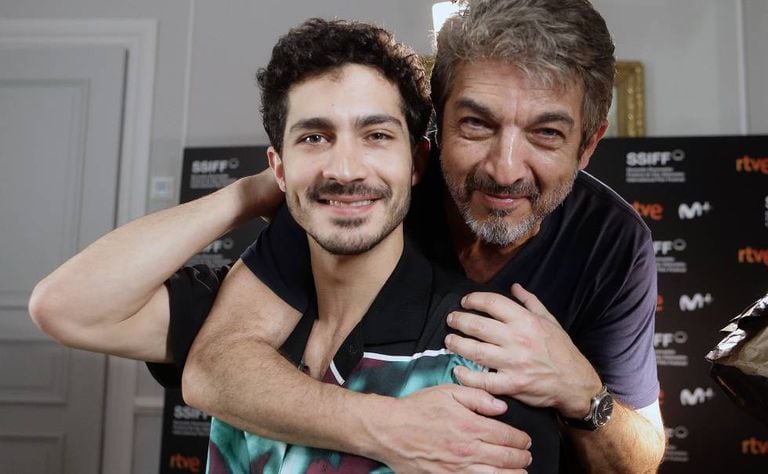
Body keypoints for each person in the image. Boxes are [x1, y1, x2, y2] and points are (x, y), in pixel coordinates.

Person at [30, 16, 558, 474]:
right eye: (314, 138)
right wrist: (247, 194)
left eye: (376, 136)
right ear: (278, 167)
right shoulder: (233, 322)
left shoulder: (484, 349)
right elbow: (66, 307)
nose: (345, 169)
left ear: (416, 163)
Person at [179, 0, 665, 472]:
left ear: (588, 145)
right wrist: (389, 427)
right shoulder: (369, 192)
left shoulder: (614, 243)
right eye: (476, 124)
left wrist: (583, 394)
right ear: (437, 122)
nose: (505, 169)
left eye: (546, 134)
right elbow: (216, 368)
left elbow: (638, 460)